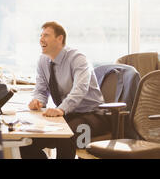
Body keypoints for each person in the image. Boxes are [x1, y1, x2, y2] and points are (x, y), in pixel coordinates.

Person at [20, 21, 110, 159]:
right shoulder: (43, 61)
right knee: (27, 142)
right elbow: (41, 89)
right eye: (41, 35)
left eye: (46, 35)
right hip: (67, 115)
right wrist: (38, 101)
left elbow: (80, 89)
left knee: (66, 136)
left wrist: (61, 109)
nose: (41, 39)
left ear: (60, 38)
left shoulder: (78, 59)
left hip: (92, 115)